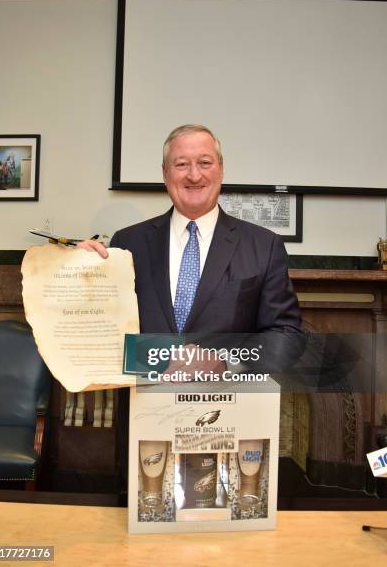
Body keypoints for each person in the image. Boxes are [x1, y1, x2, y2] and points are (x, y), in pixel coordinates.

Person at [79, 124, 303, 498]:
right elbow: (106, 334)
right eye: (181, 164)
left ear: (221, 169)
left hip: (226, 424)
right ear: (165, 173)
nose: (194, 175)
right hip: (146, 424)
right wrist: (81, 274)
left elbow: (288, 339)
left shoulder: (262, 246)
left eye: (204, 162)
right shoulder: (127, 243)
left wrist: (225, 360)